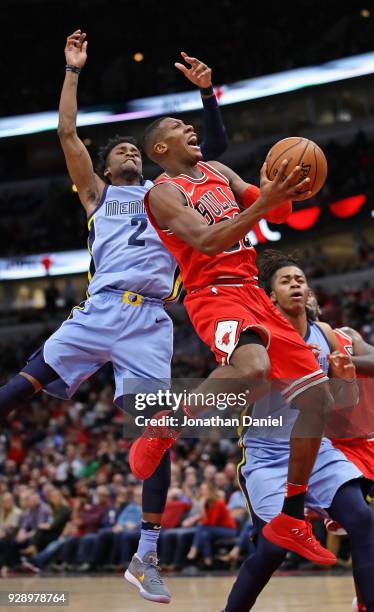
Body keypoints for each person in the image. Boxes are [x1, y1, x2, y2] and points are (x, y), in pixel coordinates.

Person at [0, 31, 227, 603]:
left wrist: (206, 98)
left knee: (156, 434)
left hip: (150, 321)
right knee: (17, 392)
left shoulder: (168, 191)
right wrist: (73, 71)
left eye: (135, 147)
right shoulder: (96, 194)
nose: (129, 151)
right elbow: (67, 133)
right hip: (100, 310)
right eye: (119, 149)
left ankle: (146, 556)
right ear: (103, 166)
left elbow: (214, 155)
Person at [130, 115, 339, 564]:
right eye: (176, 126)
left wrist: (277, 191)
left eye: (189, 124)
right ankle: (167, 423)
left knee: (318, 400)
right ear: (160, 149)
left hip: (252, 290)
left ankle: (292, 514)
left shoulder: (220, 173)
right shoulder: (162, 193)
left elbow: (277, 213)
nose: (189, 128)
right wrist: (264, 203)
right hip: (213, 294)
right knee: (254, 370)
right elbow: (207, 241)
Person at [223, 250, 374, 612]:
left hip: (317, 450)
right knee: (274, 549)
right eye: (286, 281)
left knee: (363, 520)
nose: (296, 285)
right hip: (267, 456)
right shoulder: (257, 336)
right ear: (271, 294)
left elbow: (343, 400)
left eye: (300, 280)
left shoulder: (325, 334)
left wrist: (346, 374)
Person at [307, 291, 374, 612]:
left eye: (305, 288)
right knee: (365, 526)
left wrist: (347, 362)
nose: (301, 293)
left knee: (367, 533)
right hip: (332, 448)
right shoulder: (285, 343)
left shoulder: (346, 335)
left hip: (368, 440)